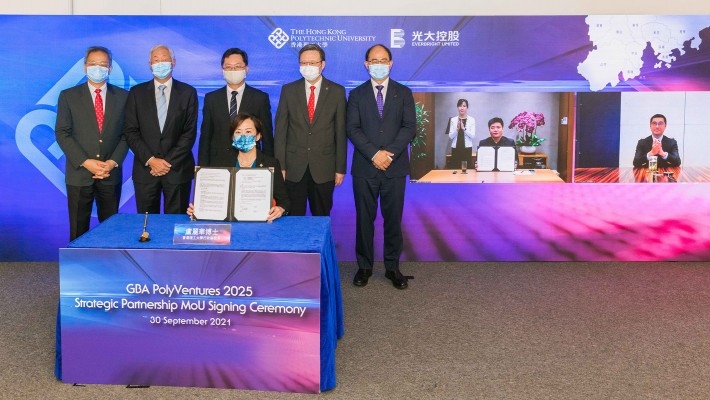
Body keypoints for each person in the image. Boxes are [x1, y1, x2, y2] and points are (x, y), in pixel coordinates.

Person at [346, 44, 416, 290]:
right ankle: (364, 267)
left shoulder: (404, 93)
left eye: (383, 60)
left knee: (393, 219)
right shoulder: (356, 95)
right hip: (365, 167)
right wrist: (375, 154)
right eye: (373, 60)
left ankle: (392, 268)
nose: (378, 64)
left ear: (391, 63)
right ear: (366, 64)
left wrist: (390, 154)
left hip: (395, 169)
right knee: (364, 219)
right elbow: (352, 129)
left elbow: (409, 127)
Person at [55, 46, 128, 241]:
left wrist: (112, 163)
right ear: (85, 66)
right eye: (93, 64)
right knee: (78, 228)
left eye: (103, 64)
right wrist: (85, 162)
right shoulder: (68, 96)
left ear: (110, 69)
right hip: (79, 174)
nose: (98, 68)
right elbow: (62, 133)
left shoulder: (123, 97)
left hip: (110, 172)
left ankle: (110, 266)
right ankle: (80, 267)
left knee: (110, 228)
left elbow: (127, 134)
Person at [124, 44, 198, 214]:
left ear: (174, 62)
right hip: (146, 170)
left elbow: (189, 132)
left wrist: (167, 163)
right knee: (147, 224)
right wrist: (151, 160)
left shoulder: (188, 92)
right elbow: (131, 131)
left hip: (178, 170)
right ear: (150, 64)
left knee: (175, 225)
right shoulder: (136, 93)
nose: (160, 63)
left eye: (165, 59)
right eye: (156, 60)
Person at [274, 43, 347, 216]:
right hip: (293, 168)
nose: (308, 67)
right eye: (304, 63)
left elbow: (341, 132)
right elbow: (281, 130)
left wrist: (340, 168)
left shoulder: (337, 91)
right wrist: (280, 166)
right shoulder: (289, 90)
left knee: (321, 218)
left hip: (324, 168)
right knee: (293, 219)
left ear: (323, 64)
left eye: (313, 63)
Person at [188, 113, 289, 222]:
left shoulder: (271, 163)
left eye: (248, 132)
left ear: (258, 136)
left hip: (259, 224)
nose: (243, 136)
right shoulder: (221, 162)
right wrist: (198, 209)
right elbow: (212, 198)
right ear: (233, 137)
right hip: (229, 225)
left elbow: (285, 202)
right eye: (238, 132)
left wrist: (280, 209)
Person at [198, 48, 274, 166]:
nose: (233, 70)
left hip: (251, 163)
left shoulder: (260, 98)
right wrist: (202, 168)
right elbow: (205, 137)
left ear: (246, 69)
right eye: (228, 67)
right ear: (222, 70)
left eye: (238, 66)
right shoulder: (211, 98)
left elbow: (267, 137)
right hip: (218, 164)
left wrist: (269, 167)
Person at [445, 98, 475, 169]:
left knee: (466, 169)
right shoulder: (453, 120)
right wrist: (457, 129)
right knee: (455, 168)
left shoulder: (472, 120)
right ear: (457, 107)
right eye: (460, 106)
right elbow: (450, 136)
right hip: (456, 148)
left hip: (467, 148)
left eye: (464, 106)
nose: (462, 108)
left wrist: (464, 129)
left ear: (467, 107)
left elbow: (472, 136)